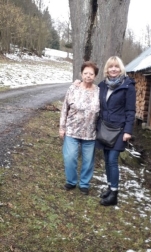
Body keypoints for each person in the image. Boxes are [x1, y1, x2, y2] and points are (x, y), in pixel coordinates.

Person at [96, 56, 136, 206]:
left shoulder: (128, 86)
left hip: (119, 130)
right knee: (107, 160)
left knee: (112, 160)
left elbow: (131, 111)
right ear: (107, 68)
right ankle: (110, 187)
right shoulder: (102, 85)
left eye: (116, 67)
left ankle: (114, 194)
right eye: (111, 66)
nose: (113, 69)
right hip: (104, 128)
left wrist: (128, 131)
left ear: (121, 69)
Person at [59, 61, 100, 195]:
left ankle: (84, 184)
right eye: (85, 73)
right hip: (71, 130)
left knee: (88, 161)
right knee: (70, 157)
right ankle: (71, 181)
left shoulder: (99, 91)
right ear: (81, 74)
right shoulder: (73, 88)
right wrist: (62, 127)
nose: (88, 76)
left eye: (91, 74)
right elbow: (65, 108)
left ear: (95, 76)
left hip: (90, 133)